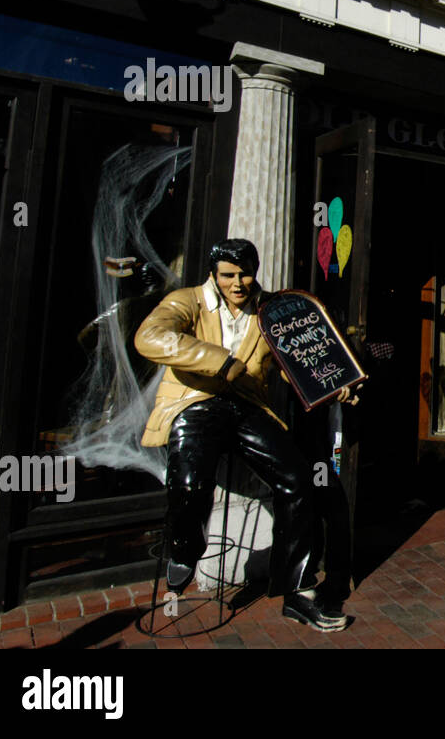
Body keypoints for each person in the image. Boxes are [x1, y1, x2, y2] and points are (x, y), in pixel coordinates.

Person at [134, 238, 356, 633]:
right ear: (213, 274)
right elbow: (149, 337)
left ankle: (298, 592)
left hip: (248, 408)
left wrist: (331, 383)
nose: (238, 284)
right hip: (194, 400)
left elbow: (295, 362)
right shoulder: (188, 300)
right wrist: (221, 362)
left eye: (245, 274)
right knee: (188, 483)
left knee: (299, 481)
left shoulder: (271, 310)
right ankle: (185, 550)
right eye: (228, 276)